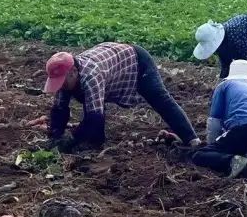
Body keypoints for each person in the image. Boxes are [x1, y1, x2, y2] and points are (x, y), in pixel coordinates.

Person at [44, 43, 201, 150]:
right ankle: (96, 140)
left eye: (62, 81)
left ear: (73, 72)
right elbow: (59, 108)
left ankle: (192, 140)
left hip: (136, 61)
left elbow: (95, 116)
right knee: (87, 101)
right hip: (111, 60)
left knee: (160, 99)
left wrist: (72, 138)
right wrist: (55, 135)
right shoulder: (68, 77)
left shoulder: (91, 75)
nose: (61, 86)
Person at [190, 60, 247, 177]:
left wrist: (213, 148)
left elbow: (214, 121)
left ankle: (235, 162)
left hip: (246, 129)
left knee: (199, 155)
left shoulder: (224, 85)